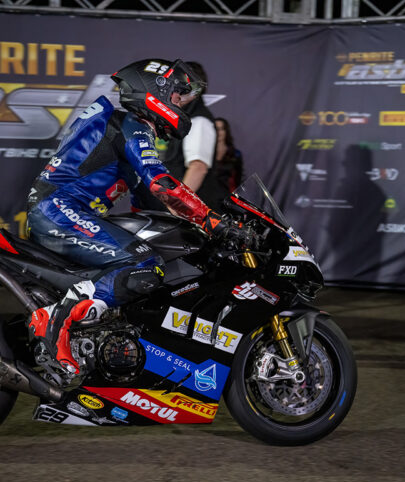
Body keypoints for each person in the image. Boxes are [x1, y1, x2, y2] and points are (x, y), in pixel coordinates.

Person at [25, 58, 254, 380]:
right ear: (154, 92)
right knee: (144, 264)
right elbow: (162, 184)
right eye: (177, 95)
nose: (181, 103)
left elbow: (149, 203)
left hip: (61, 212)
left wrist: (198, 231)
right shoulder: (131, 125)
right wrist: (213, 221)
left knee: (152, 255)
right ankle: (57, 319)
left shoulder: (127, 127)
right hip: (59, 212)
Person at [157, 61, 218, 205]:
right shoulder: (182, 119)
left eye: (175, 85)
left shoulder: (198, 120)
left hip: (191, 211)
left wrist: (175, 205)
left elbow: (198, 168)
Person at [210, 117, 244, 204]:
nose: (219, 132)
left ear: (226, 131)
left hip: (226, 200)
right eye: (216, 129)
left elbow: (239, 180)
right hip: (207, 198)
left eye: (222, 129)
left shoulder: (235, 154)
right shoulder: (205, 152)